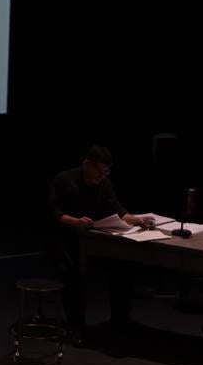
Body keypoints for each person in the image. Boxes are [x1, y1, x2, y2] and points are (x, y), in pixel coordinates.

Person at [47, 145, 155, 345]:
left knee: (122, 267)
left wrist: (137, 220)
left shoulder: (104, 184)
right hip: (68, 241)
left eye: (105, 172)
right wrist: (76, 222)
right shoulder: (64, 180)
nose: (101, 176)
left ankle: (120, 320)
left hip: (97, 239)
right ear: (86, 164)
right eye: (98, 171)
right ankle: (76, 327)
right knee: (74, 278)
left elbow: (118, 210)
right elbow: (53, 213)